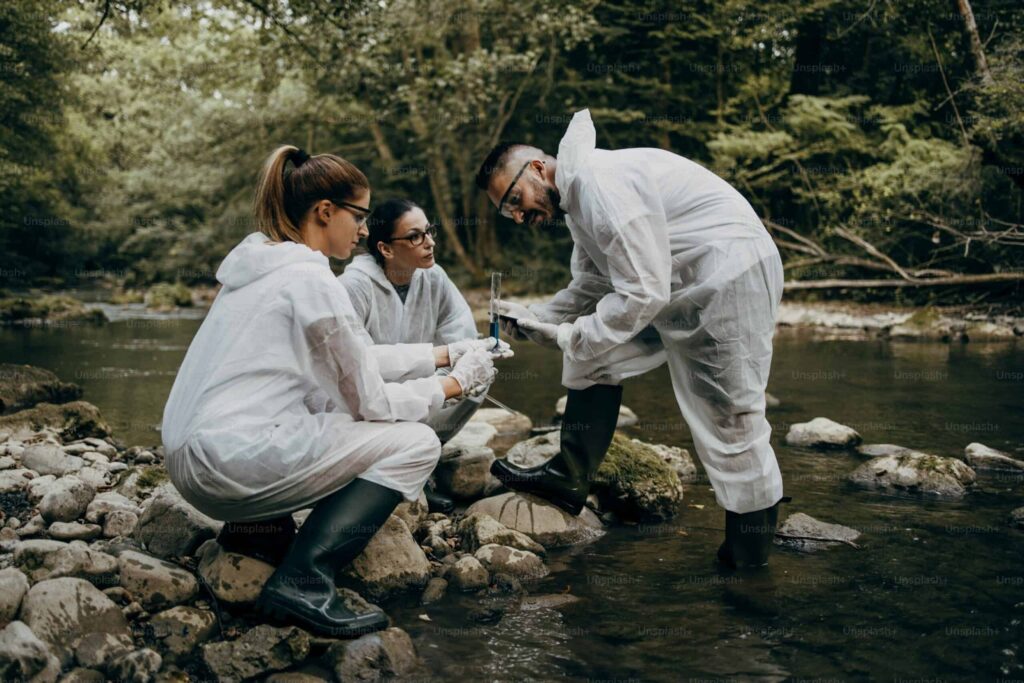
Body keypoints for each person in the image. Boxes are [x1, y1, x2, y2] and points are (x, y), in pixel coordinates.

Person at [161, 145, 502, 637]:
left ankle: (259, 534)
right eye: (359, 216)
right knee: (416, 443)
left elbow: (357, 357)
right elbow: (373, 402)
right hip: (225, 465)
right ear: (326, 212)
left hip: (190, 457)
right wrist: (456, 384)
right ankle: (304, 579)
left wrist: (449, 352)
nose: (364, 231)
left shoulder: (264, 266)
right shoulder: (311, 280)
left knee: (316, 403)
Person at [475, 109, 786, 569]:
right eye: (509, 212)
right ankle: (568, 476)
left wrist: (567, 334)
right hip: (677, 285)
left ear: (538, 168)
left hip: (729, 277)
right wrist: (536, 317)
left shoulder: (600, 183)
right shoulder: (578, 199)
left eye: (516, 200)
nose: (520, 216)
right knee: (591, 356)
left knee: (732, 418)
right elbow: (593, 287)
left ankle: (749, 561)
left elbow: (642, 292)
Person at [339, 198, 492, 513]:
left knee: (479, 379)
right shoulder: (353, 286)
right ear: (386, 249)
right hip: (373, 398)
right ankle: (382, 474)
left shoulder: (433, 276)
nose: (430, 242)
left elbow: (458, 330)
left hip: (426, 384)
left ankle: (423, 463)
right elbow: (356, 365)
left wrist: (464, 367)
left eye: (429, 231)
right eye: (415, 236)